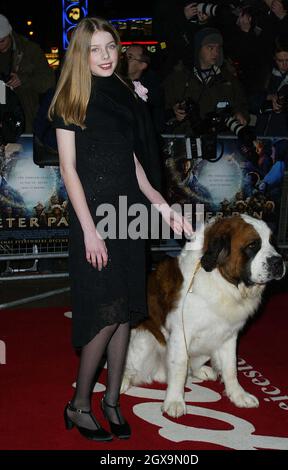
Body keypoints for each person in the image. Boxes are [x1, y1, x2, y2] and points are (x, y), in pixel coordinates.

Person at [48, 17, 192, 442]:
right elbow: (68, 170)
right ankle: (78, 404)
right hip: (94, 216)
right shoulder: (71, 98)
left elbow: (135, 166)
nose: (106, 56)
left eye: (111, 47)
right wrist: (90, 230)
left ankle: (111, 400)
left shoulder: (125, 95)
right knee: (103, 314)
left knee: (127, 309)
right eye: (95, 49)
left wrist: (164, 209)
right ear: (80, 54)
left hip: (129, 212)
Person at [0, 14, 55, 133]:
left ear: (9, 33)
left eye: (2, 41)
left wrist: (22, 80)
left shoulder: (30, 50)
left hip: (25, 121)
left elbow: (49, 81)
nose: (0, 46)